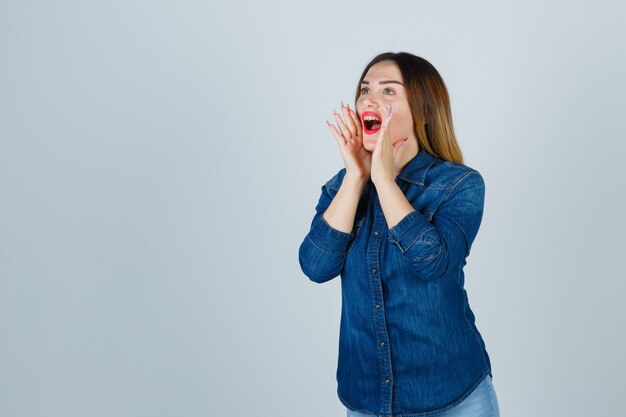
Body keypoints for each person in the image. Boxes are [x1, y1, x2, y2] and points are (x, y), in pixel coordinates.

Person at [298, 52, 501, 417]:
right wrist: (358, 178)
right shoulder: (340, 188)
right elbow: (315, 266)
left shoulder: (460, 185)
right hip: (368, 399)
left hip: (454, 396)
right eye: (365, 90)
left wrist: (384, 180)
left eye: (389, 91)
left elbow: (431, 262)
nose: (369, 99)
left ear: (422, 111)